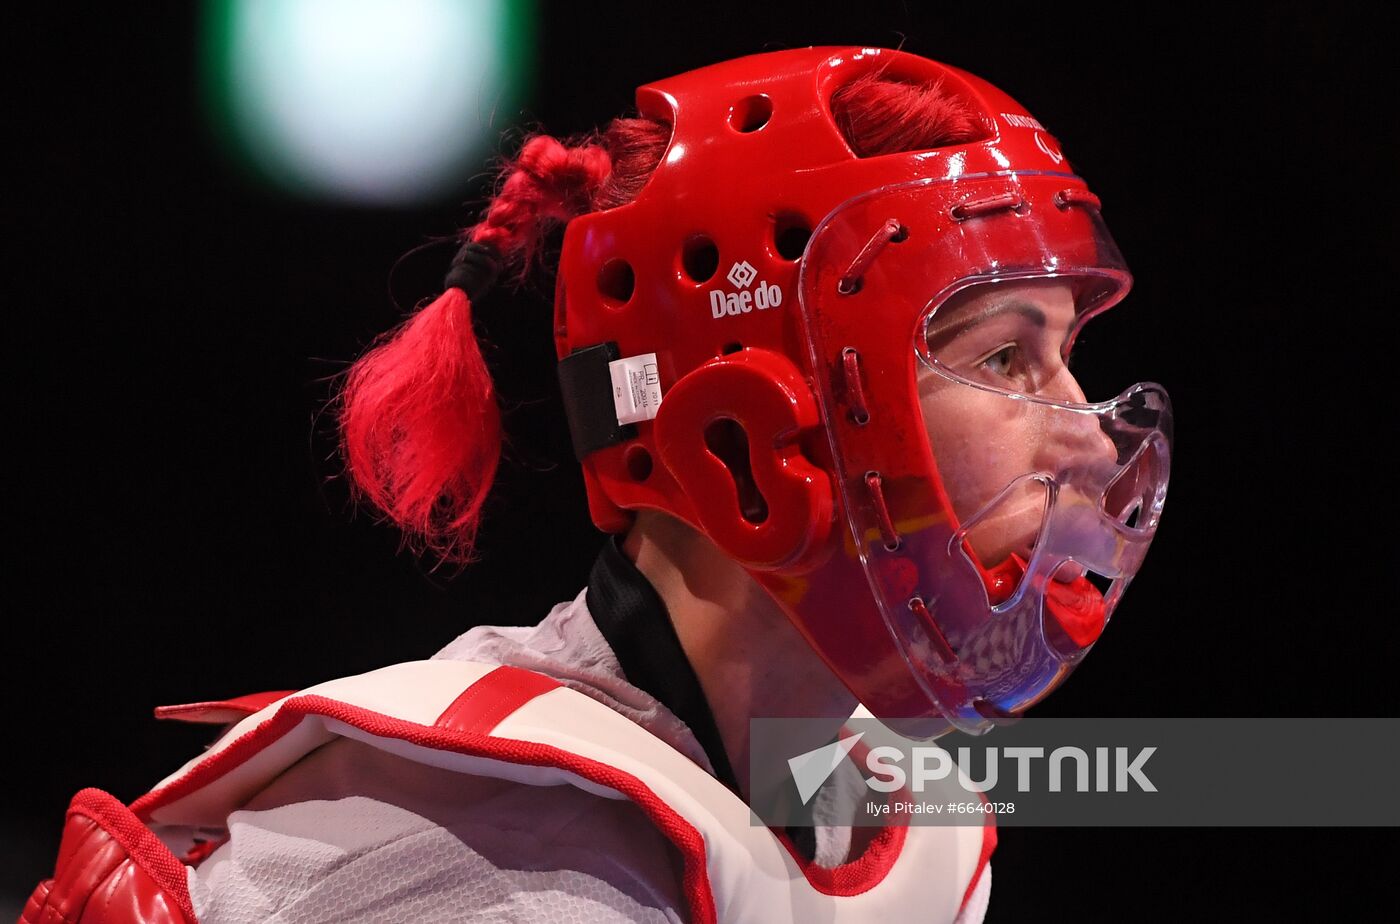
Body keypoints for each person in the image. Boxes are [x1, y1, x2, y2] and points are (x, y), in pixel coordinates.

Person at [24, 45, 1171, 923]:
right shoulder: (456, 864)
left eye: (1069, 354)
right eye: (1001, 355)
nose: (1079, 435)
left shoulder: (903, 828)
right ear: (745, 453)